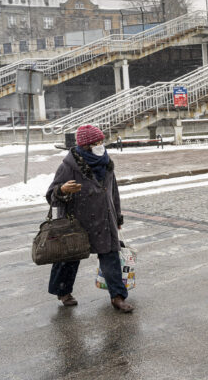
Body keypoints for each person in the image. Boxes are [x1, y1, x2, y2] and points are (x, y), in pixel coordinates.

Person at [45, 124, 133, 313]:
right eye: (96, 142)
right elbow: (51, 196)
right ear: (85, 146)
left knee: (111, 258)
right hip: (77, 221)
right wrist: (62, 190)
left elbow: (113, 192)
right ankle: (63, 292)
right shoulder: (69, 166)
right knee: (69, 258)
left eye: (101, 141)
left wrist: (117, 217)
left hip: (104, 218)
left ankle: (117, 297)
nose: (100, 145)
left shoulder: (106, 163)